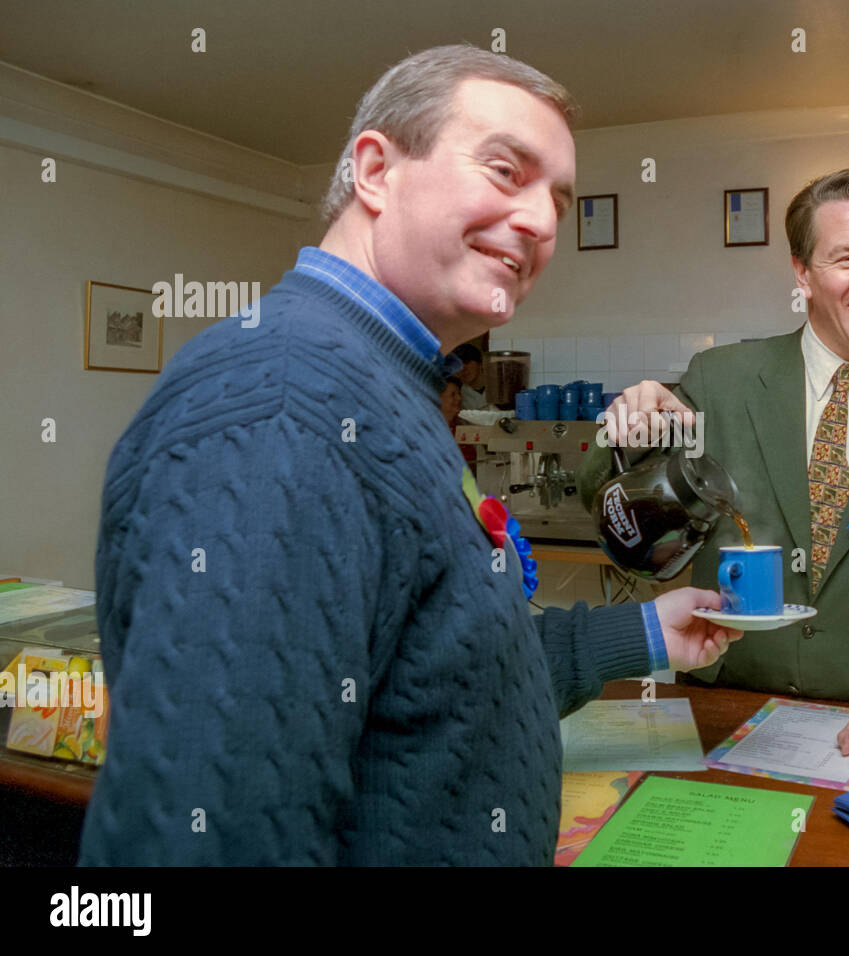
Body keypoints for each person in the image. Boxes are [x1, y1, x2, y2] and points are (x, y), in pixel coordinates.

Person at [80, 45, 738, 866]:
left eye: (558, 202)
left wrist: (642, 632)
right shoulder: (284, 402)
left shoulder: (384, 387)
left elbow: (446, 668)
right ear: (375, 171)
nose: (539, 221)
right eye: (505, 170)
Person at [579, 169, 849, 759]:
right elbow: (604, 498)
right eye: (848, 258)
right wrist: (620, 431)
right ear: (801, 273)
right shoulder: (720, 380)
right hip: (724, 706)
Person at [451, 343, 489, 409]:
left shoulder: (498, 387)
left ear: (480, 363)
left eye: (467, 362)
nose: (463, 369)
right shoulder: (458, 396)